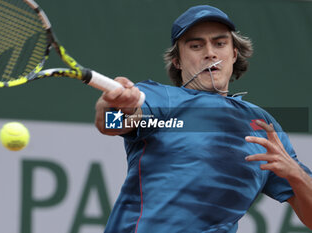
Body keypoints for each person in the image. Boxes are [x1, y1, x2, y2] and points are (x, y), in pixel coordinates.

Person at [95, 5, 312, 233]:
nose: (210, 53)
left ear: (234, 54)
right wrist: (115, 105)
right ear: (177, 61)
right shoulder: (163, 99)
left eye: (220, 44)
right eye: (196, 46)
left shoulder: (262, 125)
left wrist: (295, 174)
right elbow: (110, 123)